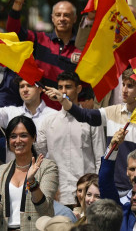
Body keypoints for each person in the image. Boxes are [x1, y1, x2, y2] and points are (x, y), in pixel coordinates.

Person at [58, 68, 136, 196]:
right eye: (123, 84)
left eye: (130, 86)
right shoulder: (113, 111)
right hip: (112, 187)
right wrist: (64, 101)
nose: (124, 90)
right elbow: (84, 115)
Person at [6, 0, 83, 109]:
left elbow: (86, 84)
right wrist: (18, 2)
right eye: (58, 15)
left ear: (74, 18)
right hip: (42, 113)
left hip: (71, 112)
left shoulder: (82, 47)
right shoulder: (40, 40)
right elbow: (12, 31)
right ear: (52, 18)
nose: (62, 19)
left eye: (66, 15)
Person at [36, 71, 104, 206]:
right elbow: (41, 156)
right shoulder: (48, 121)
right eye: (60, 87)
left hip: (86, 194)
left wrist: (96, 190)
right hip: (57, 192)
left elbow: (99, 157)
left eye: (68, 87)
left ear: (78, 89)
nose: (63, 91)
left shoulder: (91, 119)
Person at [0, 116, 59, 230]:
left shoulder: (47, 167)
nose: (18, 140)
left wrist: (32, 182)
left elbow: (44, 208)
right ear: (7, 141)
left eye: (23, 135)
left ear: (34, 138)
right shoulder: (0, 171)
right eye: (13, 136)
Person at [0, 64, 57, 162]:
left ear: (40, 89)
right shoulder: (11, 112)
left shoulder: (53, 116)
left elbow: (56, 152)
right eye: (21, 86)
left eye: (29, 86)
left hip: (42, 174)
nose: (25, 90)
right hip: (14, 174)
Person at [99, 128, 136, 230]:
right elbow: (105, 182)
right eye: (132, 169)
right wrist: (112, 148)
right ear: (127, 171)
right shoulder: (123, 210)